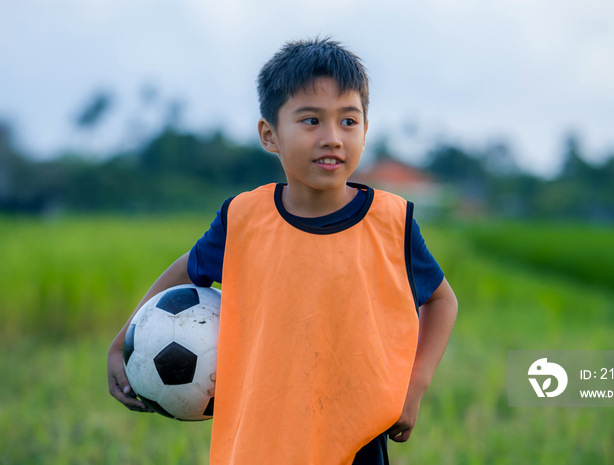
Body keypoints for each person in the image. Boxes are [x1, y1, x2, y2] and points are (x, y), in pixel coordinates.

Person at [108, 37, 458, 465]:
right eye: (311, 120)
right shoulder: (243, 219)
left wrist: (413, 388)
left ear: (366, 128)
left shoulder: (392, 221)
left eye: (349, 121)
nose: (332, 138)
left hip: (355, 437)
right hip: (259, 438)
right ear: (269, 135)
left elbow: (441, 300)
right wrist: (124, 341)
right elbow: (189, 269)